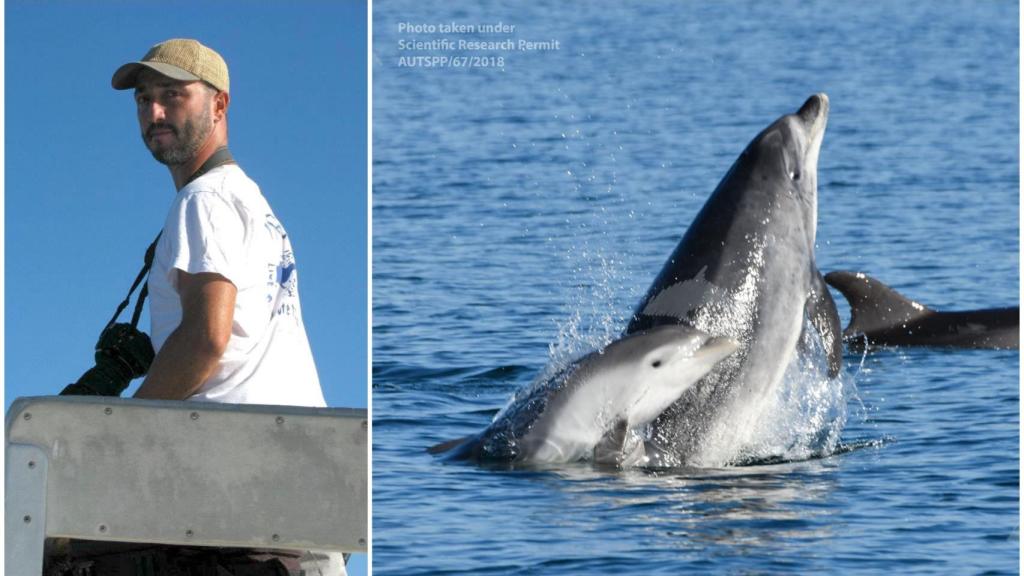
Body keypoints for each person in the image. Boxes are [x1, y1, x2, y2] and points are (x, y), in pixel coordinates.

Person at [47, 38, 344, 576]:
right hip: (301, 489)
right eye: (143, 99)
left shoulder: (203, 200)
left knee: (52, 547)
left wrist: (120, 431)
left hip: (230, 494)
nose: (154, 112)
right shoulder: (249, 199)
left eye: (172, 95)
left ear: (219, 105)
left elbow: (208, 338)